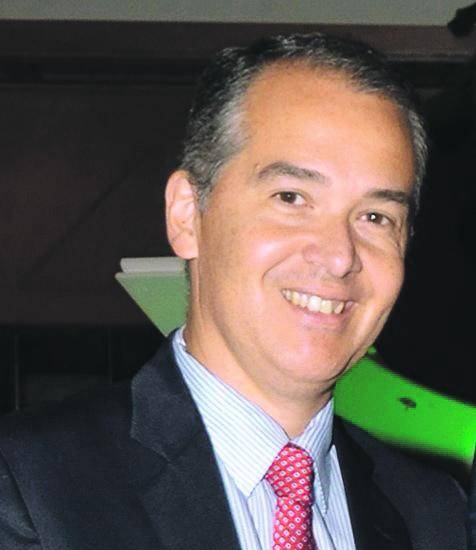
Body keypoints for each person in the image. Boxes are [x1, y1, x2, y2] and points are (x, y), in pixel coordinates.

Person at [0, 33, 467, 550]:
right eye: (291, 197)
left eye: (376, 217)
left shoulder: (432, 515)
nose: (339, 256)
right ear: (187, 216)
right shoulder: (29, 487)